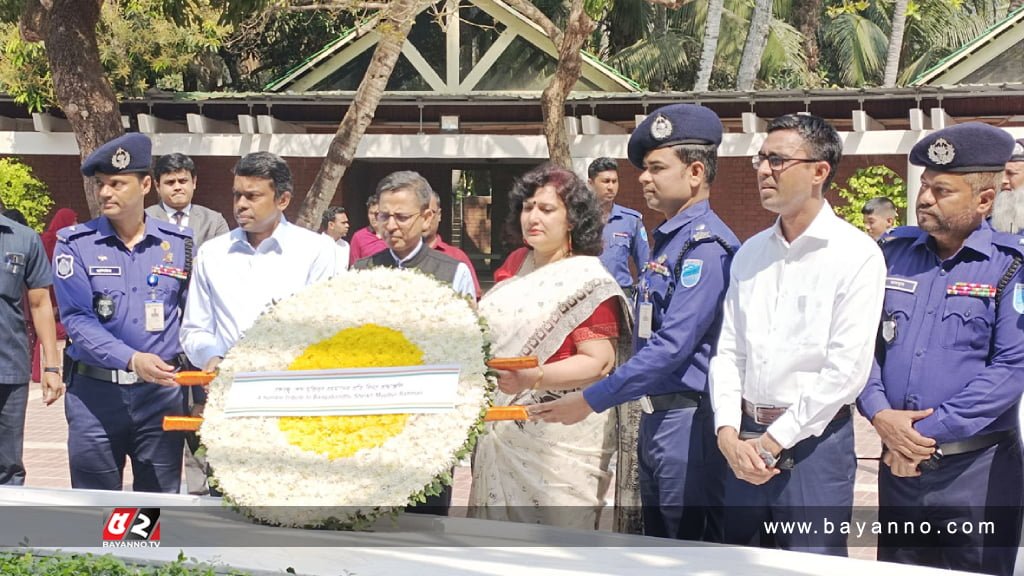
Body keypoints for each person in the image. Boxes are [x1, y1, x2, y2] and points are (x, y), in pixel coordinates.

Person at [533, 104, 739, 541]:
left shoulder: (705, 247)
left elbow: (672, 346)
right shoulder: (668, 240)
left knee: (687, 548)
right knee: (660, 541)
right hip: (656, 417)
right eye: (644, 169)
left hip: (688, 420)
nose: (643, 178)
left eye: (657, 168)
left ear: (696, 172)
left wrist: (591, 399)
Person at [708, 114, 886, 556]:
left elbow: (845, 371)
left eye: (778, 160)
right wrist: (728, 433)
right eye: (761, 159)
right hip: (744, 442)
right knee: (740, 562)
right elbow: (729, 351)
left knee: (812, 564)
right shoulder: (750, 253)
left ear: (819, 171)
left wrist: (772, 442)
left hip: (814, 448)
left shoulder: (856, 255)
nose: (764, 170)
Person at [858, 123, 1024, 576]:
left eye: (942, 190)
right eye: (925, 186)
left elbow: (1012, 367)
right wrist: (880, 415)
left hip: (976, 473)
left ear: (984, 201)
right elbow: (859, 346)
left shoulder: (1010, 268)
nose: (924, 198)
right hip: (900, 470)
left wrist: (921, 438)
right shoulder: (891, 255)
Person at [468, 164, 631, 530]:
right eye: (528, 207)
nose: (533, 217)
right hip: (499, 431)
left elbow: (599, 362)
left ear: (572, 219)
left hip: (558, 439)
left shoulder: (587, 279)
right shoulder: (514, 265)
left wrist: (535, 377)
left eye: (547, 209)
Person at [52, 133, 191, 493]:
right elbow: (77, 320)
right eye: (101, 184)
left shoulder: (179, 244)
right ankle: (106, 551)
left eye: (117, 183)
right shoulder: (75, 244)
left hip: (159, 395)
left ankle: (137, 549)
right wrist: (131, 359)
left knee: (154, 503)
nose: (105, 193)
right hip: (95, 396)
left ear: (146, 184)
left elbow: (192, 313)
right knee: (97, 506)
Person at [181, 152, 338, 377]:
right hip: (228, 386)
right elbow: (196, 328)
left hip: (293, 383)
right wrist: (212, 358)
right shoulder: (212, 253)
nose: (241, 205)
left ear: (282, 200)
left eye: (252, 196)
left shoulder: (315, 250)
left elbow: (323, 324)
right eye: (237, 195)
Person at [0, 207, 62, 485]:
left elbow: (40, 303)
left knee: (8, 464)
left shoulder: (23, 239)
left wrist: (51, 365)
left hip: (9, 367)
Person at [354, 172, 476, 300]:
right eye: (384, 216)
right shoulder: (361, 271)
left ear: (426, 219)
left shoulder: (454, 272)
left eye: (402, 217)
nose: (390, 226)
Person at [588, 157, 650, 297]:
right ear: (591, 183)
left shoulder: (631, 220)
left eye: (614, 181)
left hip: (621, 294)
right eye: (605, 181)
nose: (610, 187)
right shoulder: (578, 219)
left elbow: (644, 264)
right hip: (588, 297)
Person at [145, 153, 229, 247]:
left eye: (183, 181)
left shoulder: (213, 222)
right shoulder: (145, 219)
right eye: (170, 182)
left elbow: (223, 258)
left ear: (194, 182)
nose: (177, 187)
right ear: (157, 186)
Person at [34, 208, 78, 384]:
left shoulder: (47, 240)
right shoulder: (60, 243)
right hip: (51, 294)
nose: (76, 223)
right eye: (74, 220)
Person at [424, 191, 481, 298]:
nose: (425, 220)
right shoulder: (396, 255)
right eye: (419, 214)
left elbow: (472, 301)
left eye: (430, 214)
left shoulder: (457, 257)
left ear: (439, 215)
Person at [348, 194, 387, 265]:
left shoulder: (392, 234)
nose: (374, 217)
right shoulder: (359, 237)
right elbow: (354, 267)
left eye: (377, 213)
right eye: (371, 213)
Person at [320, 205, 351, 270]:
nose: (347, 225)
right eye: (343, 223)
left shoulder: (345, 245)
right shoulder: (317, 245)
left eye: (347, 222)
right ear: (331, 225)